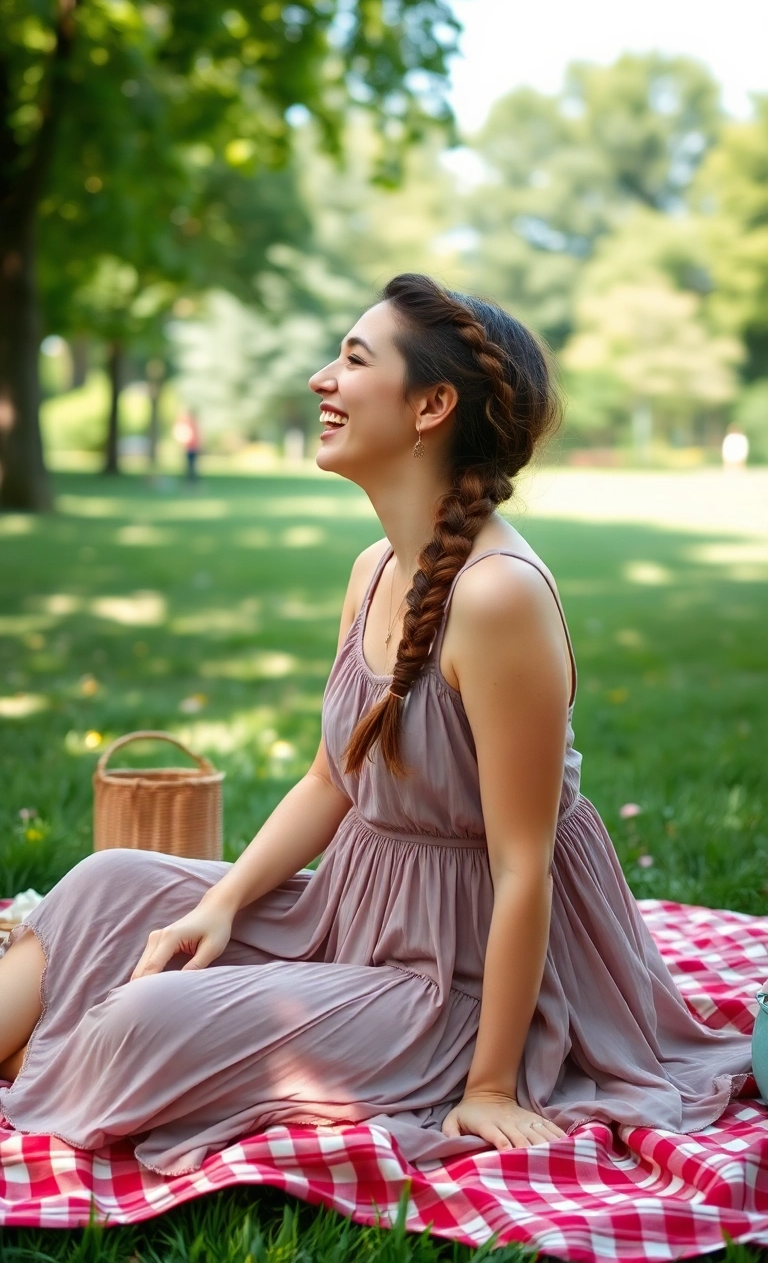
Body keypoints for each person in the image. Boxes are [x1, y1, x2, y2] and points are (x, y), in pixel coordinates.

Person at [0, 274, 753, 1174]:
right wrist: (222, 903)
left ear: (432, 405)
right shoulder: (374, 569)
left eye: (354, 359)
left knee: (142, 1020)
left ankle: (48, 1064)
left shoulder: (498, 595)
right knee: (109, 885)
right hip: (354, 907)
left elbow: (525, 866)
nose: (323, 379)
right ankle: (36, 1057)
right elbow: (328, 781)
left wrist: (489, 1088)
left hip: (457, 978)